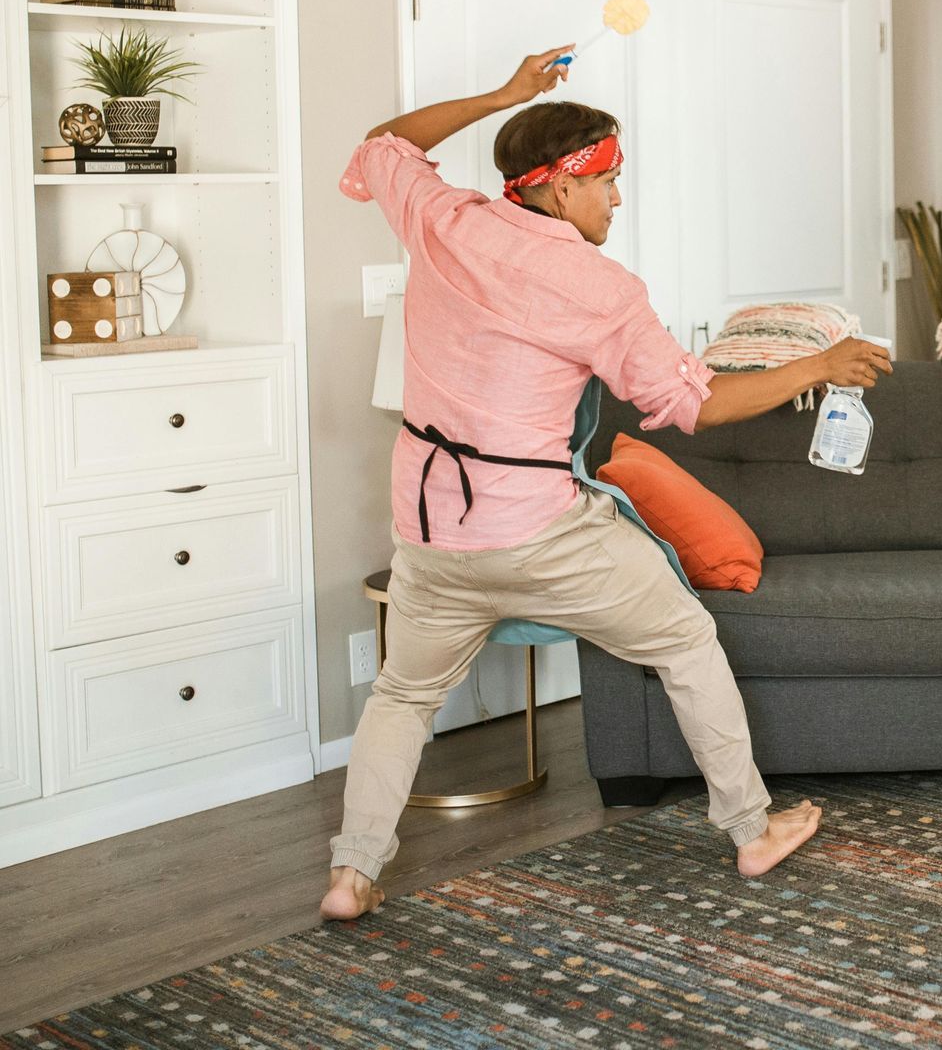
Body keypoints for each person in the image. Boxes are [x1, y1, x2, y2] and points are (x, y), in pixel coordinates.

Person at [322, 48, 892, 921]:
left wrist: (506, 95)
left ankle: (353, 874)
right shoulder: (600, 287)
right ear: (558, 188)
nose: (617, 199)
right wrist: (816, 362)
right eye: (609, 182)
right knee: (686, 640)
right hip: (540, 533)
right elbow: (691, 404)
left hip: (430, 530)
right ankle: (751, 828)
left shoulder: (442, 221)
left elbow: (382, 145)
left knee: (403, 694)